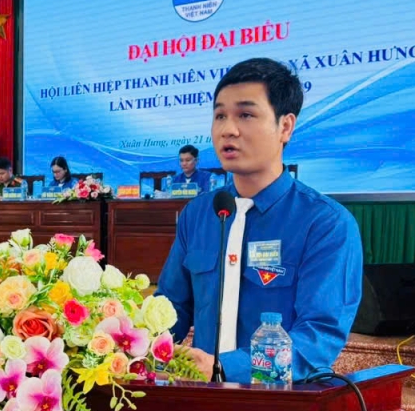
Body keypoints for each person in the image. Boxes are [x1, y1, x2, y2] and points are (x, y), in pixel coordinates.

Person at [155, 58, 363, 383]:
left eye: (246, 115)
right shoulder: (199, 213)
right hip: (199, 395)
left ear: (285, 127)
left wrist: (224, 368)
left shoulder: (325, 223)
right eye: (220, 115)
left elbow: (317, 337)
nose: (228, 129)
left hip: (281, 401)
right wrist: (132, 343)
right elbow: (171, 308)